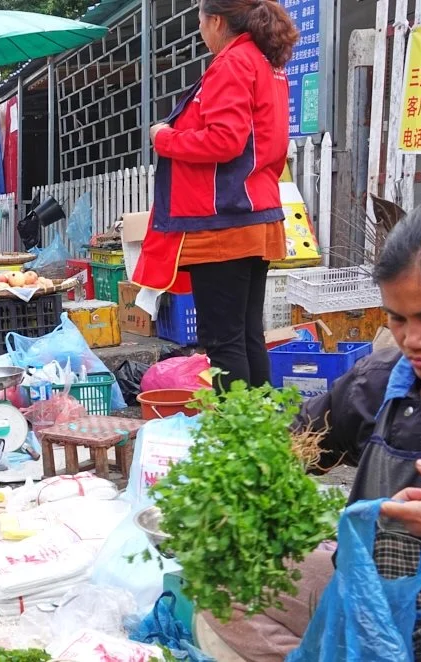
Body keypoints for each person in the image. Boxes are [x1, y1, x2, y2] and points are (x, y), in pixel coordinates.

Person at [205, 200, 421, 661]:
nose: (413, 341)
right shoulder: (377, 381)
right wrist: (252, 471)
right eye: (397, 318)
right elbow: (299, 439)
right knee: (227, 580)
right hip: (369, 592)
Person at [131, 0, 296, 392]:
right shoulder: (264, 64)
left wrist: (164, 138)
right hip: (253, 215)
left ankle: (235, 439)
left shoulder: (233, 62)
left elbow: (224, 140)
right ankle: (258, 434)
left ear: (216, 20)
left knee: (224, 342)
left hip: (224, 222)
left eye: (201, 23)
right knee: (246, 335)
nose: (201, 32)